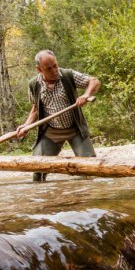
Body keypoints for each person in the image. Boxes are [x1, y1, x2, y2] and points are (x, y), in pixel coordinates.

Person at [16, 49, 100, 182]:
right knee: (38, 170)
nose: (54, 70)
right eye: (49, 68)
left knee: (90, 168)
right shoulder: (34, 85)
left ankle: (86, 199)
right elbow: (36, 109)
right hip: (51, 132)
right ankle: (45, 200)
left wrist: (86, 94)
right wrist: (26, 125)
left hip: (75, 129)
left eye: (55, 65)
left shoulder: (68, 75)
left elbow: (94, 81)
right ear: (39, 69)